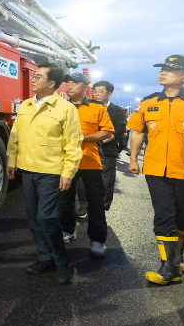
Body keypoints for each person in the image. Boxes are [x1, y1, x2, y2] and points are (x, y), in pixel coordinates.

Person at [6, 63, 84, 284]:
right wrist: (12, 160)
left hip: (51, 171)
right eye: (33, 75)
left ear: (51, 84)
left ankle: (62, 263)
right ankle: (44, 258)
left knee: (47, 217)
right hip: (28, 169)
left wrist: (68, 173)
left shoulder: (65, 108)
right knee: (33, 218)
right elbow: (15, 135)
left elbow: (73, 143)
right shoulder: (25, 105)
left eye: (38, 77)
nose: (32, 79)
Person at [127, 55, 184, 285]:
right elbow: (137, 131)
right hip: (156, 170)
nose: (163, 72)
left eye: (171, 69)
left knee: (183, 217)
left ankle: (177, 259)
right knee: (164, 216)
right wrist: (134, 159)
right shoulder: (147, 103)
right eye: (163, 69)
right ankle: (169, 269)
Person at [59, 73, 113, 258]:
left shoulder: (97, 108)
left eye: (74, 83)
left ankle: (97, 240)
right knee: (65, 199)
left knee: (96, 202)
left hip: (90, 161)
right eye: (68, 83)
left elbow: (106, 132)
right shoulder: (60, 107)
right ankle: (67, 230)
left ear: (85, 87)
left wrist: (83, 138)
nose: (69, 86)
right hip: (65, 163)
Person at [91, 80, 128, 210]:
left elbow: (119, 129)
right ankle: (87, 206)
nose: (96, 94)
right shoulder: (88, 107)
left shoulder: (117, 110)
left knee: (106, 181)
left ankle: (102, 207)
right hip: (89, 151)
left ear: (109, 93)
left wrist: (100, 141)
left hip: (107, 151)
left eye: (101, 92)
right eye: (94, 91)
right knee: (87, 182)